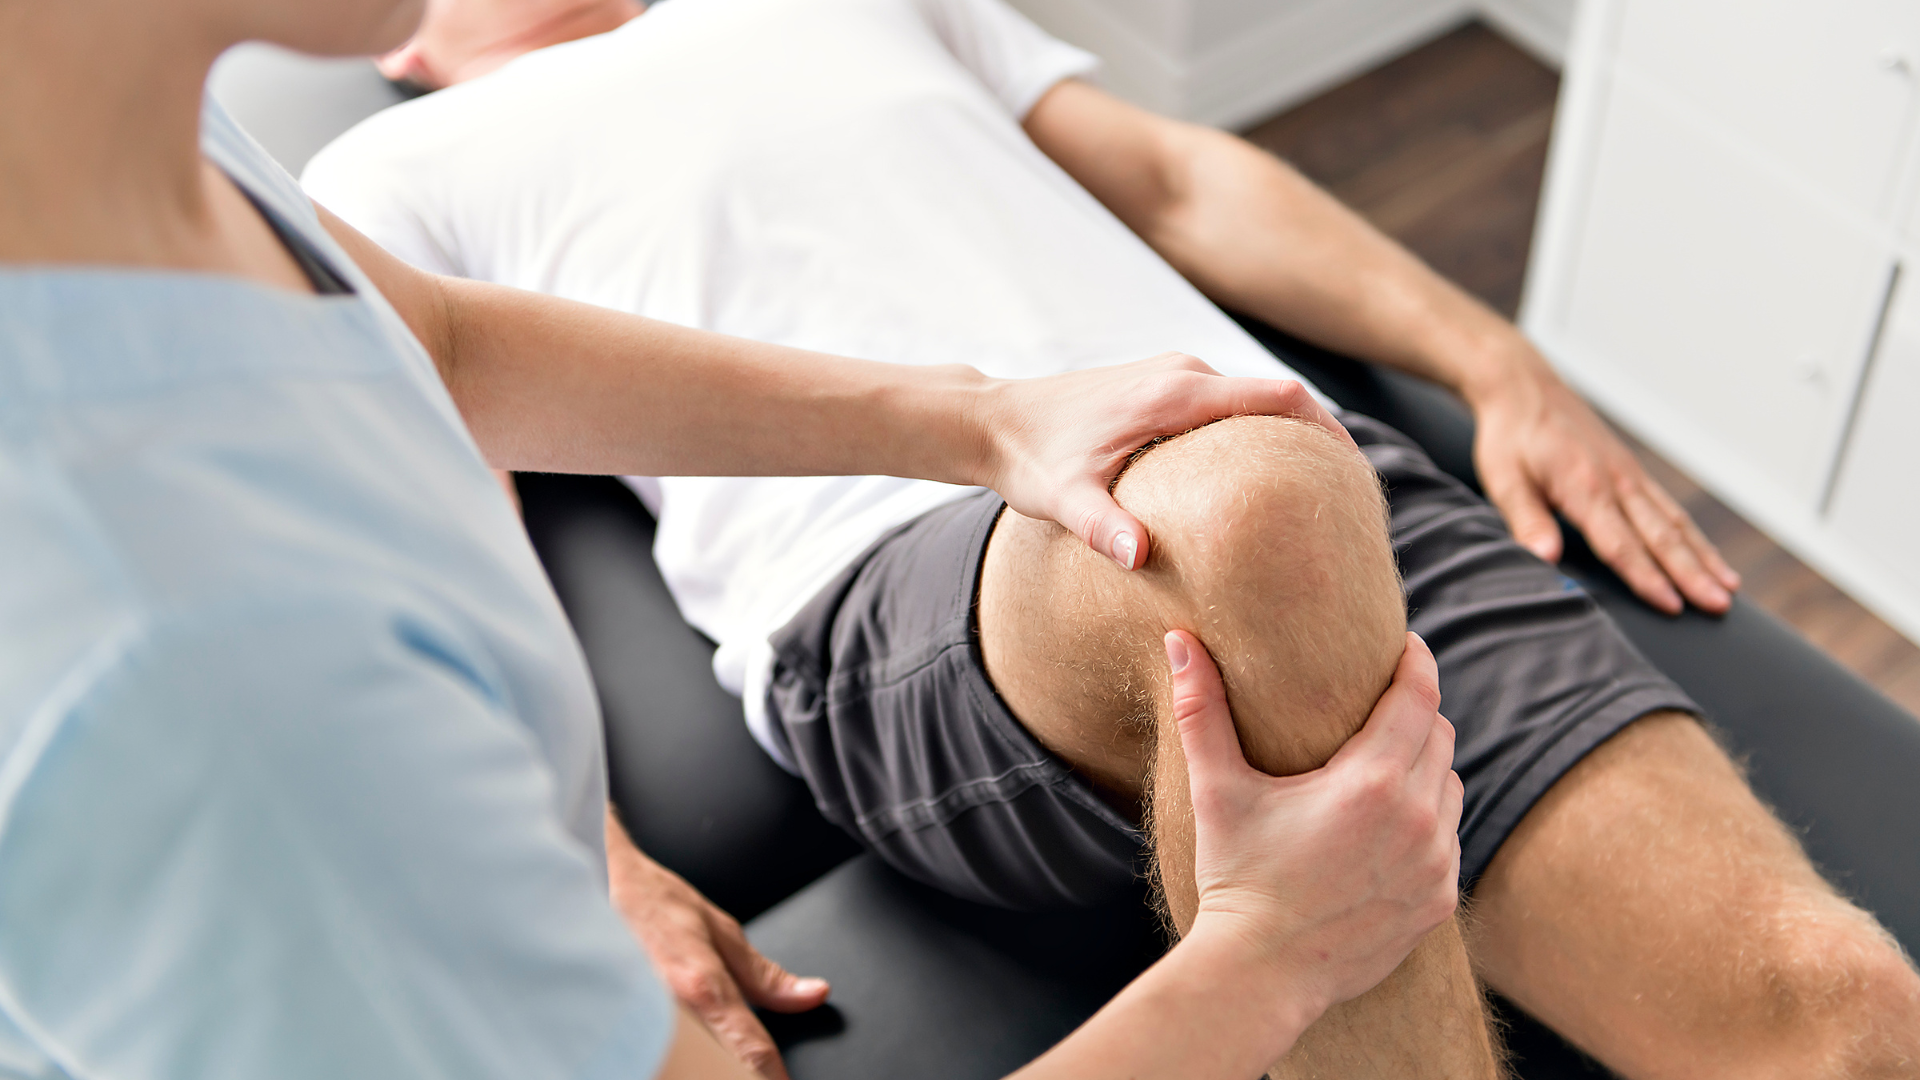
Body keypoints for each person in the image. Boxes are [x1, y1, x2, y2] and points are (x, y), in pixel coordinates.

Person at [305, 0, 1920, 1075]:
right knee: (1244, 501)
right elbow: (436, 513)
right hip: (914, 587)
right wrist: (591, 860)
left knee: (1851, 1023)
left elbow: (1171, 175)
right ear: (400, 41)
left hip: (1305, 476)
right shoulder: (381, 166)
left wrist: (1495, 359)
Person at [0, 0, 1474, 1078]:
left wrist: (973, 420)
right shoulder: (188, 669)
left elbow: (434, 336)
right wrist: (1270, 957)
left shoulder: (116, 117)